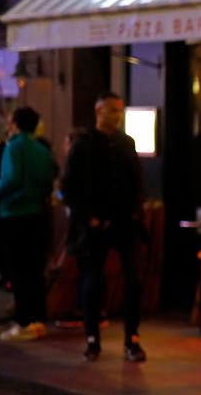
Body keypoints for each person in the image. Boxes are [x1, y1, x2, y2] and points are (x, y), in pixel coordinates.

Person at [62, 91, 147, 362]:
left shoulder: (126, 143)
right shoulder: (84, 144)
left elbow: (136, 180)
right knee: (92, 281)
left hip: (123, 222)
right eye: (112, 111)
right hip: (94, 224)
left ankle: (132, 338)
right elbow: (69, 185)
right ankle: (92, 338)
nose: (117, 117)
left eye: (120, 111)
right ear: (99, 112)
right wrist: (88, 216)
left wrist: (134, 212)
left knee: (134, 280)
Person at [0, 107, 57, 341]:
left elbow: (10, 180)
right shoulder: (42, 149)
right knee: (34, 270)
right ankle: (38, 320)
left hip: (15, 214)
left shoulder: (14, 146)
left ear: (16, 124)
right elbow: (48, 179)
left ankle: (23, 322)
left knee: (19, 270)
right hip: (37, 215)